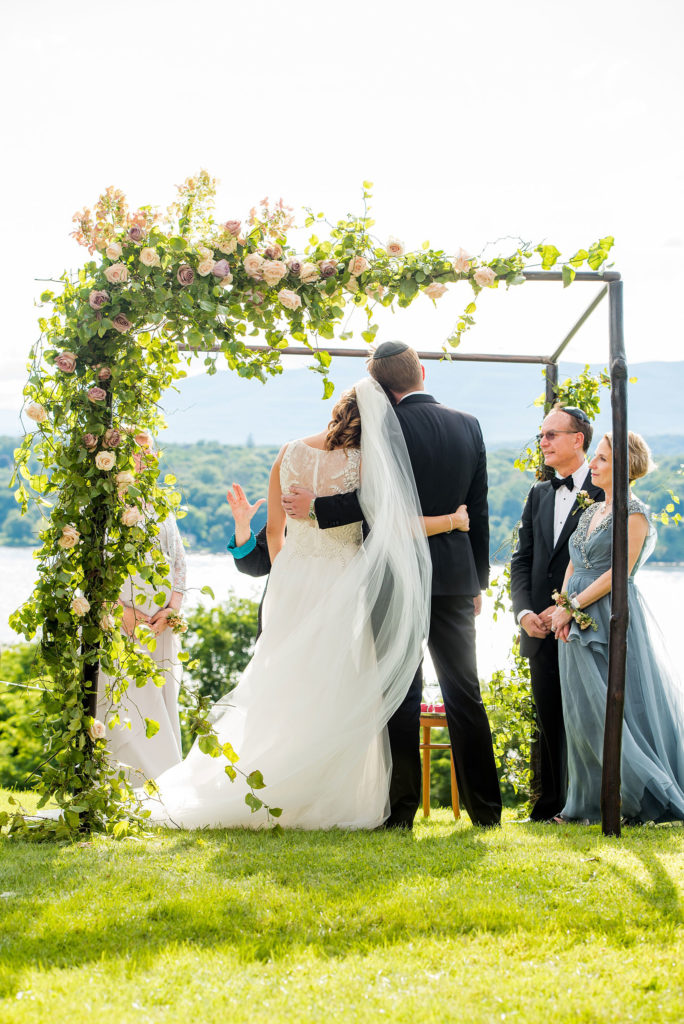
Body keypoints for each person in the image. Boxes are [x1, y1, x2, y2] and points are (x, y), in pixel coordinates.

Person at [144, 378, 460, 830]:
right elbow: (389, 522)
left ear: (336, 412)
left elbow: (275, 534)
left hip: (291, 581)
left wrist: (289, 577)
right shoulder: (365, 463)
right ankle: (326, 792)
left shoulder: (288, 452)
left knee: (283, 680)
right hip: (344, 581)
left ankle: (267, 778)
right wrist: (451, 520)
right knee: (337, 684)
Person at [280, 342, 502, 829]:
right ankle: (487, 813)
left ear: (377, 386)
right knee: (465, 691)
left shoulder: (381, 425)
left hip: (395, 574)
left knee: (399, 691)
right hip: (454, 578)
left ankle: (400, 813)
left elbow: (375, 504)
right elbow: (479, 508)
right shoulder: (469, 424)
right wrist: (477, 582)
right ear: (422, 371)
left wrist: (319, 507)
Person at [550, 431, 684, 824]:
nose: (592, 463)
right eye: (596, 457)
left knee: (614, 707)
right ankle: (586, 804)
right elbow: (574, 562)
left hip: (610, 615)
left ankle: (637, 799)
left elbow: (618, 573)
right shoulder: (592, 510)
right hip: (573, 615)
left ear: (624, 467)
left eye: (603, 459)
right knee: (582, 711)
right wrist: (560, 607)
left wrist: (573, 606)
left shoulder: (634, 513)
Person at [510, 405, 604, 822]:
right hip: (539, 629)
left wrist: (567, 606)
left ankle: (598, 800)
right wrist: (524, 613)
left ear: (577, 439)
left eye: (551, 435)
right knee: (549, 716)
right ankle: (551, 805)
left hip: (587, 623)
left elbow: (610, 564)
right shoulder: (539, 493)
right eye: (541, 435)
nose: (543, 442)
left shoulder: (604, 489)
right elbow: (522, 560)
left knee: (591, 716)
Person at [97, 430, 185, 785]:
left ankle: (165, 784)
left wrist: (172, 607)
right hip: (121, 626)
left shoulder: (159, 504)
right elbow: (91, 569)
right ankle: (127, 785)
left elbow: (178, 559)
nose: (145, 460)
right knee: (128, 704)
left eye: (149, 453)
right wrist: (120, 612)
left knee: (161, 703)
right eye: (137, 453)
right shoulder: (101, 507)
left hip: (160, 629)